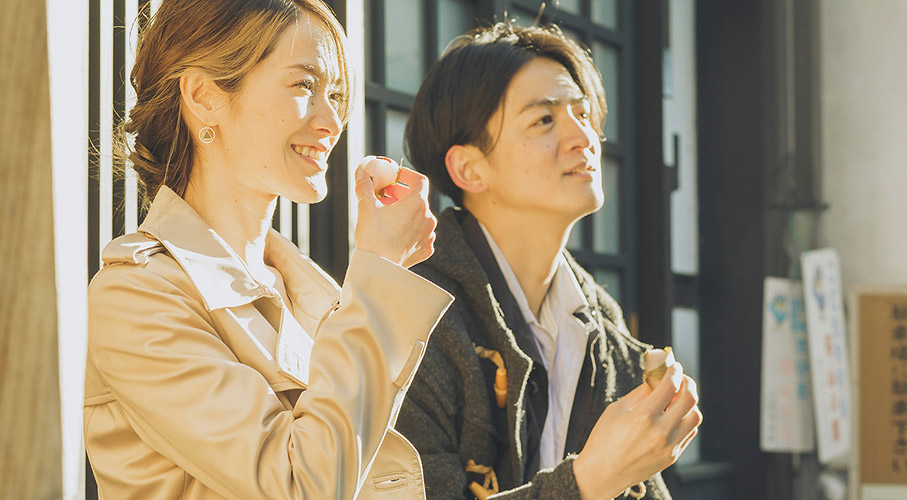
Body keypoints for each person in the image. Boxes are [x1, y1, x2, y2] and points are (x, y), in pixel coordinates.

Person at [83, 0, 452, 498]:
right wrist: (381, 270)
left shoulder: (310, 290)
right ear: (202, 96)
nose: (331, 121)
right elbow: (303, 483)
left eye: (335, 93)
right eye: (303, 85)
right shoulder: (136, 296)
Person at [396, 22, 702, 500]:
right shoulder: (410, 317)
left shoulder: (602, 324)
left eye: (583, 114)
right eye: (544, 120)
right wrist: (589, 483)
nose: (583, 137)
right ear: (470, 169)